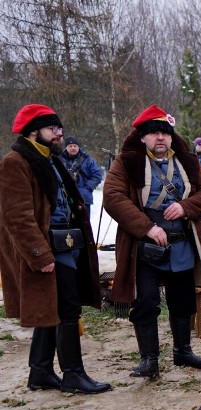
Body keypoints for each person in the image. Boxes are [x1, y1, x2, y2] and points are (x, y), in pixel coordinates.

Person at [0, 104, 111, 394]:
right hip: (47, 249)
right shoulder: (16, 162)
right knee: (67, 309)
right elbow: (17, 217)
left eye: (59, 127)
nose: (59, 132)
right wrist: (40, 255)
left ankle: (40, 372)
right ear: (33, 131)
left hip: (66, 244)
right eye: (52, 128)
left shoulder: (50, 159)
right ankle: (73, 375)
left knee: (52, 308)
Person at [103, 105, 201, 378]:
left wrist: (185, 207)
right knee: (145, 301)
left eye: (165, 133)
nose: (160, 138)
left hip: (181, 243)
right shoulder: (126, 162)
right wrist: (146, 227)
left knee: (182, 299)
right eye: (154, 133)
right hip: (143, 246)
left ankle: (183, 351)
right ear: (143, 137)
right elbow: (113, 197)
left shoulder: (186, 161)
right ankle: (149, 359)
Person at [60, 136, 102, 216]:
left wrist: (86, 189)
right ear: (66, 147)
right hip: (63, 199)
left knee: (84, 224)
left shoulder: (87, 159)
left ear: (78, 147)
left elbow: (97, 175)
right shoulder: (59, 159)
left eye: (75, 146)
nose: (73, 148)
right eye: (70, 146)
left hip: (83, 199)